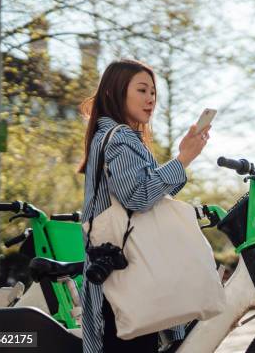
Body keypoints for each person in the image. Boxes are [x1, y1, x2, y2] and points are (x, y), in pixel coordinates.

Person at [78, 59, 210, 353]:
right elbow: (138, 196)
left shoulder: (115, 136)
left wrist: (181, 159)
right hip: (123, 273)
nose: (151, 98)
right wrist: (183, 160)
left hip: (122, 270)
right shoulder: (119, 138)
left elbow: (149, 192)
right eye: (142, 90)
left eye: (153, 92)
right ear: (115, 92)